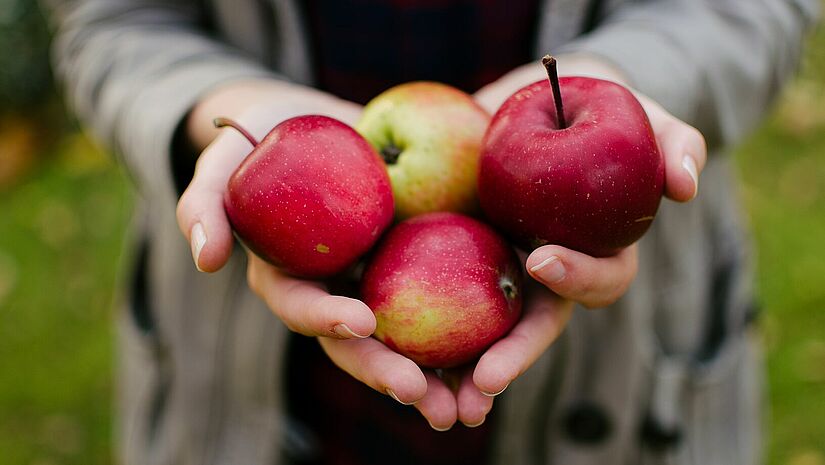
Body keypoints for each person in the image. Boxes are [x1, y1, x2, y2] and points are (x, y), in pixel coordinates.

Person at [43, 0, 818, 464]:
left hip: (626, 370)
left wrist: (615, 72)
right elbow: (111, 20)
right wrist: (214, 104)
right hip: (247, 380)